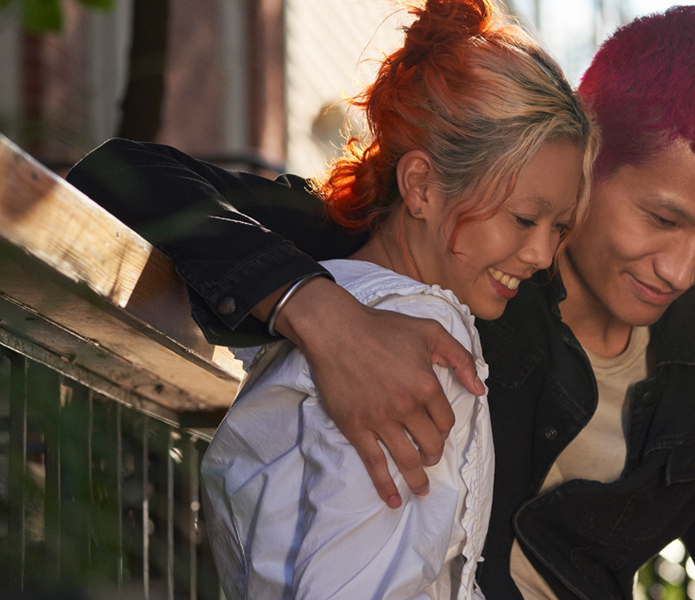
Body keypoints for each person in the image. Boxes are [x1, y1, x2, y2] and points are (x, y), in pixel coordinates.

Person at [69, 5, 695, 600]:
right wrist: (322, 314)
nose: (684, 268)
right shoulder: (445, 253)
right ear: (587, 152)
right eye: (662, 218)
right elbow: (120, 176)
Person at [71, 1, 595, 598]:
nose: (543, 256)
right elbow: (117, 171)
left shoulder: (412, 282)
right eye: (526, 218)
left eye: (559, 228)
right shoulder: (417, 324)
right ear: (420, 186)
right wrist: (322, 314)